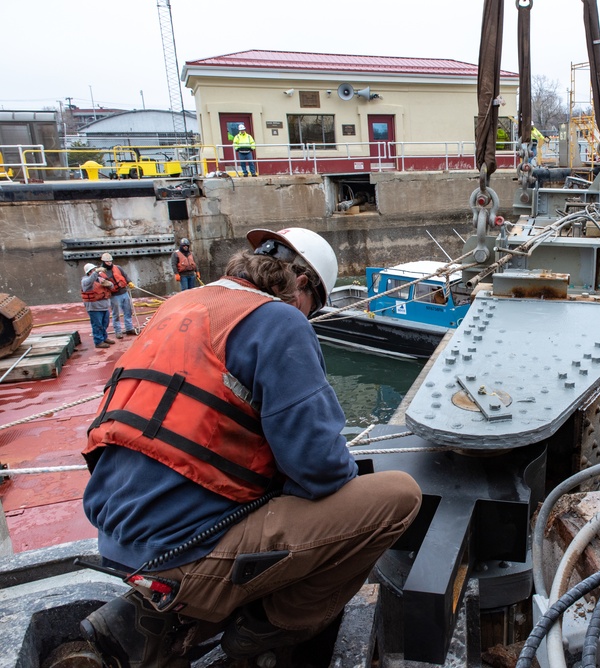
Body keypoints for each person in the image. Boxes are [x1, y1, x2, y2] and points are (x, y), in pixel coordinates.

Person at [79, 227, 422, 666]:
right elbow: (322, 470)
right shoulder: (280, 319)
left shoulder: (180, 305)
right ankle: (266, 624)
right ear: (302, 286)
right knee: (396, 497)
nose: (308, 319)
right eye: (312, 310)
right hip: (183, 552)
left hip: (115, 540)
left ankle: (168, 613)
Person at [100, 252, 138, 339]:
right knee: (116, 314)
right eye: (107, 261)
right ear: (103, 262)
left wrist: (129, 282)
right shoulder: (101, 273)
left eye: (110, 261)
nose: (109, 263)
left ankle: (129, 328)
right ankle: (118, 331)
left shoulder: (118, 268)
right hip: (114, 296)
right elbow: (102, 284)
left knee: (128, 311)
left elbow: (125, 276)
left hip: (124, 292)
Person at [81, 263, 115, 349]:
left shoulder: (100, 279)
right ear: (89, 272)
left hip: (103, 306)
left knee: (105, 323)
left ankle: (104, 338)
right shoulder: (85, 281)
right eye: (93, 270)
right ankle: (98, 341)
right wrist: (96, 272)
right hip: (94, 308)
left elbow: (111, 287)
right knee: (97, 325)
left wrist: (109, 284)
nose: (96, 272)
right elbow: (90, 280)